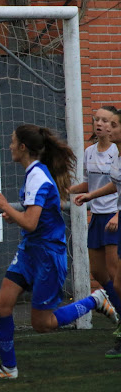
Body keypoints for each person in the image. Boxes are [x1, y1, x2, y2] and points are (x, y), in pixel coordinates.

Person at [0, 124, 118, 381]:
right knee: (2, 307)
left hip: (47, 256)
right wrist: (15, 216)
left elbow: (32, 222)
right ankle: (9, 368)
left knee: (42, 324)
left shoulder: (38, 177)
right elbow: (34, 218)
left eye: (12, 142)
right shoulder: (34, 172)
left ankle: (95, 300)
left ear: (23, 147)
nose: (9, 146)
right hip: (29, 251)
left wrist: (5, 207)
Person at [74, 106, 121, 358]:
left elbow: (117, 186)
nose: (101, 124)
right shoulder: (89, 152)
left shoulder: (116, 150)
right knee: (99, 273)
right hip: (98, 218)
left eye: (107, 121)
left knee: (116, 276)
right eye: (98, 120)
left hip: (114, 218)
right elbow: (94, 184)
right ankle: (115, 309)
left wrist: (116, 214)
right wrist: (71, 190)